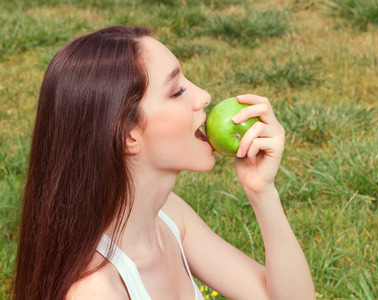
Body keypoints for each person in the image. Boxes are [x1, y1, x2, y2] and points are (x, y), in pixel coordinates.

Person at [12, 26, 315, 300]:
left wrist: (262, 192)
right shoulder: (96, 291)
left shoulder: (169, 216)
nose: (204, 96)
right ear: (128, 135)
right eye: (177, 91)